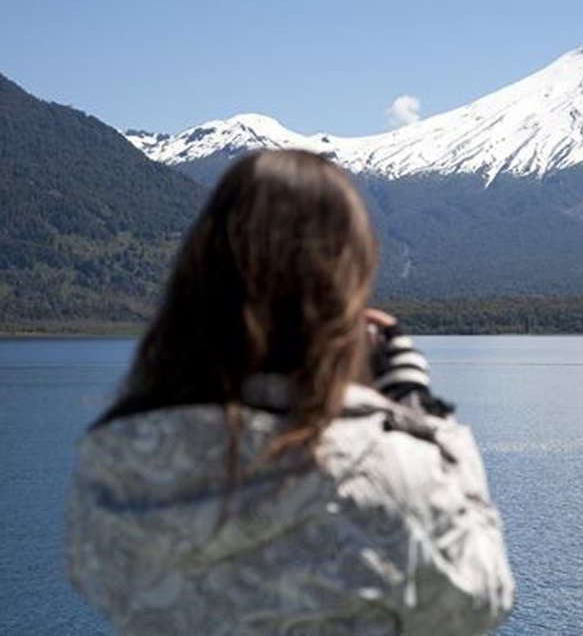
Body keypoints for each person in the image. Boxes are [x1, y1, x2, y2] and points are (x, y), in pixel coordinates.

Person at [66, 149, 514, 635]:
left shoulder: (111, 467)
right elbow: (480, 599)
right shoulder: (388, 473)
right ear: (341, 295)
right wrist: (414, 409)